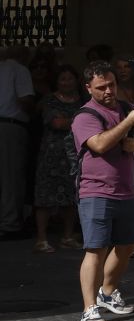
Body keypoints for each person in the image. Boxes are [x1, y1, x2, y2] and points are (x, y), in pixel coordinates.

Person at [72, 61, 134, 321]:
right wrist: (126, 124)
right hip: (95, 191)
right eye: (101, 87)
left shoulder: (127, 108)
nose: (108, 91)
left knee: (128, 244)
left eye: (111, 85)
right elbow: (100, 144)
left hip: (126, 189)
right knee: (96, 249)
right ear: (89, 89)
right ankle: (88, 308)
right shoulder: (85, 116)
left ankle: (107, 292)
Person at [33, 63, 83, 252]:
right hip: (52, 154)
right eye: (63, 79)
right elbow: (57, 122)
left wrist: (71, 121)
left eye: (70, 78)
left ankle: (67, 236)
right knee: (45, 196)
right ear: (57, 81)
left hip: (74, 154)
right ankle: (41, 239)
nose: (66, 82)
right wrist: (79, 121)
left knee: (71, 196)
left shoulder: (82, 100)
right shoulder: (50, 100)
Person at [0, 45, 36, 239]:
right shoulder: (19, 70)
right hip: (10, 126)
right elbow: (25, 99)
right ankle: (10, 224)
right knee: (11, 178)